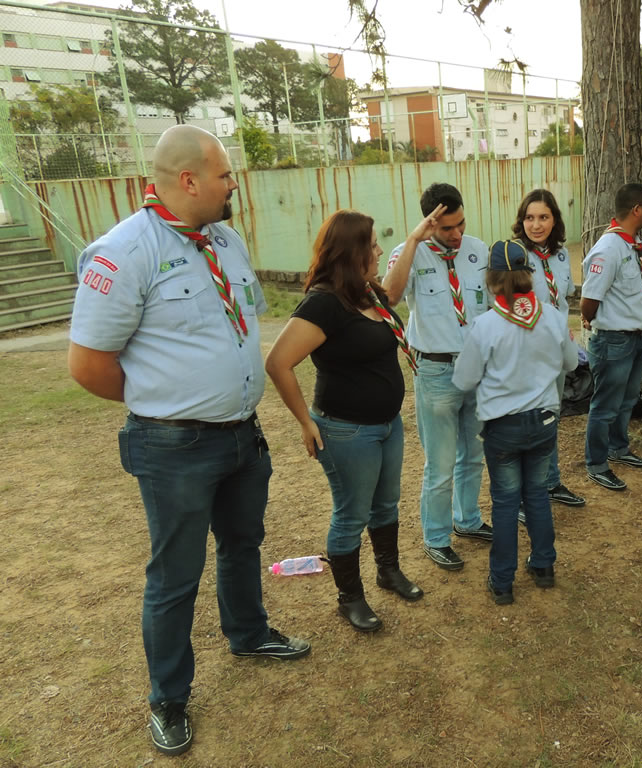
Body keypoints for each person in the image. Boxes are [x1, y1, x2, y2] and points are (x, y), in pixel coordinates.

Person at [66, 125, 310, 758]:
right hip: (173, 447)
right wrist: (165, 401)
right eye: (225, 175)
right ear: (188, 180)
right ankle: (169, 697)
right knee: (175, 576)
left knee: (243, 544)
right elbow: (88, 366)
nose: (233, 184)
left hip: (242, 436)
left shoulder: (224, 240)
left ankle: (248, 633)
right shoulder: (124, 252)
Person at [264, 210, 426, 634]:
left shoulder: (366, 293)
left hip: (387, 424)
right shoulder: (325, 302)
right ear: (352, 252)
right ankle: (350, 598)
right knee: (352, 514)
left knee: (386, 504)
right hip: (347, 431)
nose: (379, 251)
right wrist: (305, 421)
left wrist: (413, 240)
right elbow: (278, 363)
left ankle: (388, 572)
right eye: (372, 245)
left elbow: (395, 290)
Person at [453, 239, 579, 604]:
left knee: (506, 502)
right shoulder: (552, 316)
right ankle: (544, 566)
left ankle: (502, 582)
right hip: (544, 421)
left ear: (492, 280)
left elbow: (463, 380)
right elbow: (571, 364)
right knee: (537, 494)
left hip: (503, 427)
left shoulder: (486, 325)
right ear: (530, 274)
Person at [382, 183, 492, 571]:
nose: (457, 234)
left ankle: (468, 519)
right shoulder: (408, 253)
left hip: (476, 369)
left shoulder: (479, 251)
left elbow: (492, 307)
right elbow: (388, 298)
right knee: (441, 463)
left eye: (461, 224)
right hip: (436, 370)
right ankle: (437, 537)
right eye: (447, 228)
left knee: (474, 454)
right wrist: (414, 242)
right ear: (429, 223)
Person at [513, 188, 586, 508]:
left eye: (543, 217)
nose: (536, 224)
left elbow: (561, 299)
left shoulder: (560, 254)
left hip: (555, 348)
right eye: (529, 218)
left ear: (554, 219)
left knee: (550, 417)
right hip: (527, 351)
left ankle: (551, 481)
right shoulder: (513, 255)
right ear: (521, 221)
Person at [580, 182, 642, 492]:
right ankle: (597, 463)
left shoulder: (632, 244)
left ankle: (618, 447)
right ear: (636, 210)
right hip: (613, 340)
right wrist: (597, 323)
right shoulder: (609, 248)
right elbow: (589, 300)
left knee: (627, 399)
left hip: (633, 336)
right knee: (605, 405)